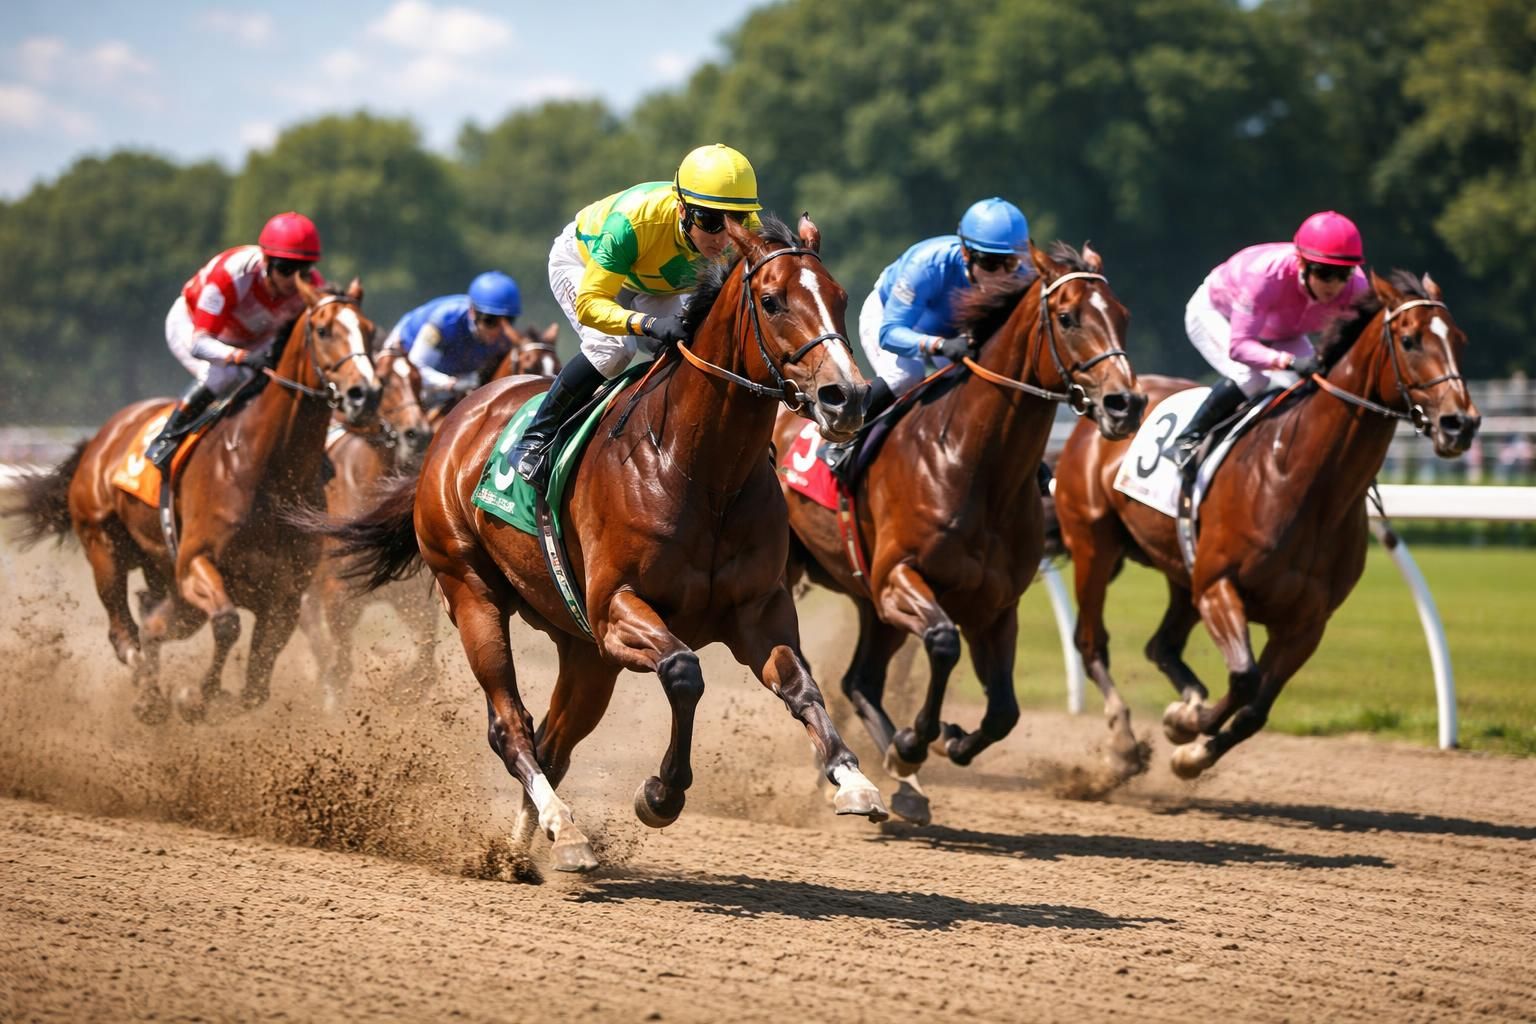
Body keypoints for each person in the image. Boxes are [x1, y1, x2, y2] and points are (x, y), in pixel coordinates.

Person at [507, 143, 762, 487]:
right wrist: (648, 324)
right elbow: (590, 303)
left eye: (737, 220)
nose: (723, 236)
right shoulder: (632, 221)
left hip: (656, 282)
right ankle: (537, 436)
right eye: (709, 220)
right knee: (614, 349)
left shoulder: (746, 231)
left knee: (694, 348)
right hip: (585, 263)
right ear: (682, 208)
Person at [821, 197, 1034, 478]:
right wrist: (940, 345)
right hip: (891, 317)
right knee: (907, 374)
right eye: (991, 264)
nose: (1003, 276)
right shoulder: (927, 265)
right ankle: (843, 436)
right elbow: (890, 333)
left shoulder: (1023, 275)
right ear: (967, 254)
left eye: (1011, 263)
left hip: (950, 331)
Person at [1172, 210, 1371, 467]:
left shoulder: (1357, 288)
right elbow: (1239, 346)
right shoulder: (1264, 276)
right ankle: (1189, 438)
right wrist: (1287, 361)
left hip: (1284, 333)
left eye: (1343, 274)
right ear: (1301, 262)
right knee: (1252, 377)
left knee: (1313, 385)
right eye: (1324, 273)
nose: (1333, 285)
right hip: (1218, 315)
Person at [146, 212, 325, 468]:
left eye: (304, 271)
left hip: (251, 338)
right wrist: (241, 357)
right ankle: (168, 438)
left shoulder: (312, 287)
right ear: (265, 260)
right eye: (286, 269)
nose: (294, 281)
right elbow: (200, 344)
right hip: (194, 327)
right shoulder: (230, 275)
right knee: (225, 376)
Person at [384, 271, 522, 409]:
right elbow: (416, 368)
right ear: (472, 312)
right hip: (406, 351)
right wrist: (450, 383)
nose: (498, 330)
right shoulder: (445, 320)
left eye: (508, 321)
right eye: (490, 321)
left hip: (451, 370)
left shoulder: (507, 337)